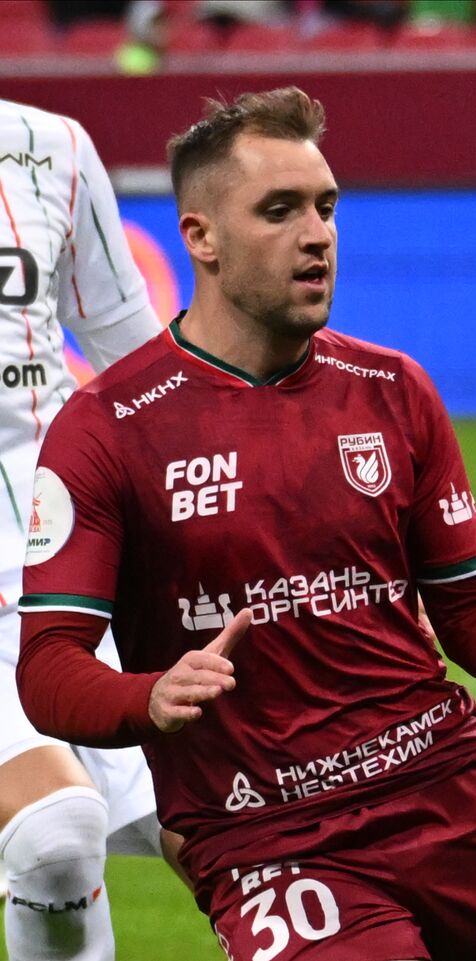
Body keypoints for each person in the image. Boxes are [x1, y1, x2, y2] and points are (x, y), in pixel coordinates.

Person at [16, 87, 476, 961]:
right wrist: (149, 695)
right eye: (278, 211)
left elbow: (474, 611)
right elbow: (49, 666)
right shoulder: (110, 427)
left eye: (326, 207)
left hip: (454, 790)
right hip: (271, 839)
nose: (316, 234)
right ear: (200, 238)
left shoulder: (392, 389)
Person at [0, 98, 171, 961]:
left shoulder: (52, 145)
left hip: (72, 571)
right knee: (56, 834)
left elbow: (131, 351)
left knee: (242, 825)